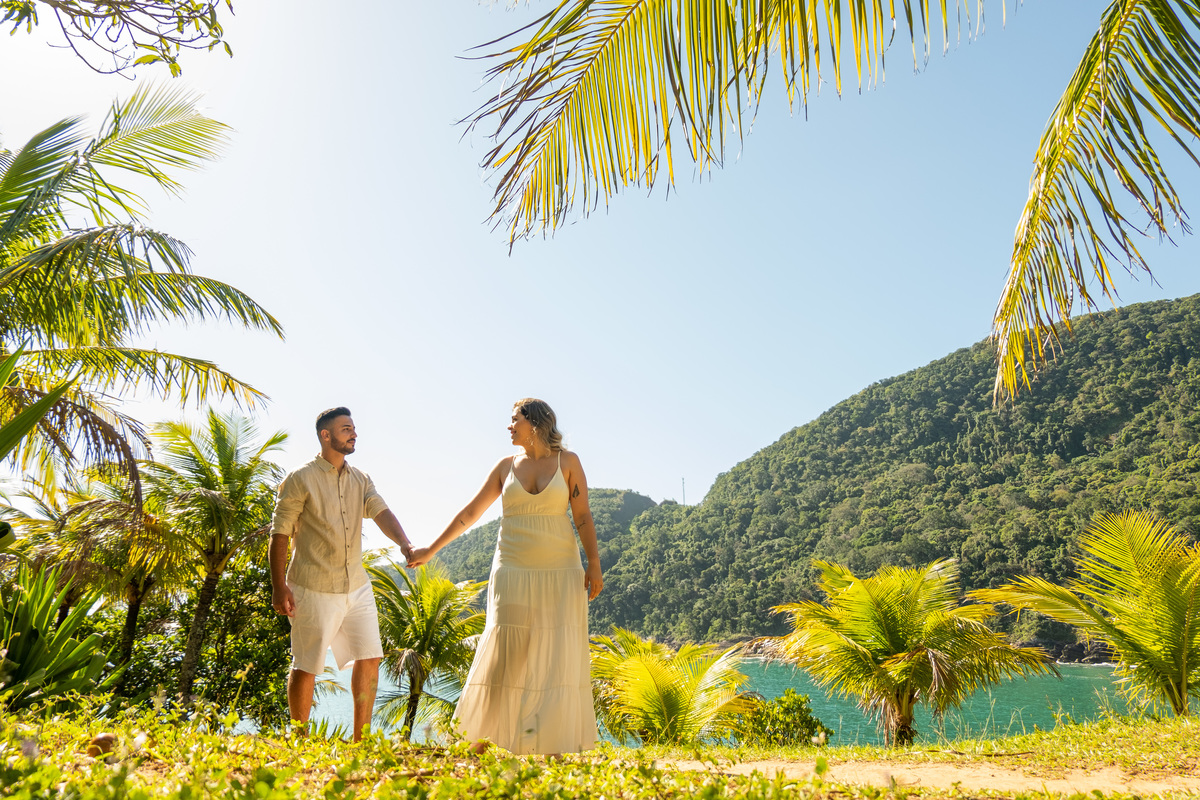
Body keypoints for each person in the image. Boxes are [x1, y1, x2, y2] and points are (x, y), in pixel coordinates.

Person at [407, 398, 602, 755]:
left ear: (535, 423)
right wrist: (431, 550)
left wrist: (594, 563)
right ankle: (478, 742)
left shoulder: (568, 462)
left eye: (515, 420)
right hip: (511, 569)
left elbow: (583, 516)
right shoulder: (504, 466)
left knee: (556, 655)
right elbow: (470, 513)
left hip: (560, 570)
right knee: (503, 653)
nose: (509, 426)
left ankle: (552, 747)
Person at [268, 406, 414, 741]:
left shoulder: (361, 478)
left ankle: (361, 741)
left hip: (356, 586)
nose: (354, 434)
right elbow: (279, 533)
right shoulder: (300, 478)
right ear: (326, 435)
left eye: (353, 428)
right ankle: (299, 739)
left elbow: (381, 511)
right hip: (312, 586)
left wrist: (405, 543)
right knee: (307, 664)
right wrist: (278, 585)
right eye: (346, 429)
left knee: (370, 656)